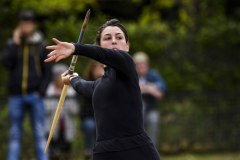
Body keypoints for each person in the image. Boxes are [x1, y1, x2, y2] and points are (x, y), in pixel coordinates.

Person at [45, 19, 160, 160]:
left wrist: (76, 48)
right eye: (107, 38)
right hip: (105, 152)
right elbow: (85, 87)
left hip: (135, 149)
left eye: (119, 37)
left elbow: (105, 55)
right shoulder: (101, 84)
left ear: (127, 45)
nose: (113, 41)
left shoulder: (128, 64)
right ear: (99, 46)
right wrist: (73, 79)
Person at [2, 10, 51, 160]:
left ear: (33, 25)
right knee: (14, 134)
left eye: (28, 23)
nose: (26, 27)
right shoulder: (13, 44)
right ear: (19, 25)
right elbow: (6, 63)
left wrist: (41, 92)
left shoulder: (40, 45)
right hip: (16, 96)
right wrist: (15, 43)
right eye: (23, 24)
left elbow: (48, 72)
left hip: (35, 96)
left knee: (39, 133)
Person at [44, 63, 79, 160]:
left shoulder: (71, 92)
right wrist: (57, 99)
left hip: (67, 128)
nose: (60, 79)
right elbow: (46, 110)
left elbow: (75, 111)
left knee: (66, 153)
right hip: (52, 127)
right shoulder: (48, 90)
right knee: (53, 154)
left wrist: (65, 98)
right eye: (58, 76)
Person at [133, 51, 167, 146]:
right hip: (135, 111)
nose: (140, 68)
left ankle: (152, 150)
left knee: (153, 120)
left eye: (142, 66)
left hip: (152, 109)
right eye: (138, 66)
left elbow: (162, 91)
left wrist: (149, 89)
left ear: (147, 65)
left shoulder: (154, 75)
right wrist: (148, 88)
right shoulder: (131, 76)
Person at [80, 60, 104, 160]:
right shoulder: (86, 83)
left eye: (101, 68)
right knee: (90, 126)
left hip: (105, 118)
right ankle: (88, 151)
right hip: (90, 116)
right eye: (97, 68)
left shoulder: (109, 82)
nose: (99, 71)